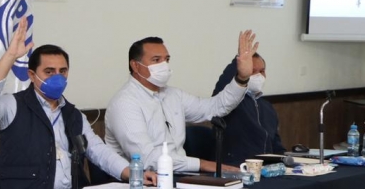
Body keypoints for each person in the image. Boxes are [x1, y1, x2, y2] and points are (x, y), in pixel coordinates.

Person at [0, 17, 149, 189]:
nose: (57, 77)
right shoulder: (13, 106)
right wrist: (10, 56)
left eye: (63, 71)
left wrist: (132, 173)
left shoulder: (73, 115)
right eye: (49, 72)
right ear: (32, 75)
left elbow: (97, 150)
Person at [104, 31, 259, 174]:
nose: (164, 65)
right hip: (142, 183)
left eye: (167, 60)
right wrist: (202, 164)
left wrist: (242, 78)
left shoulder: (173, 95)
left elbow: (215, 108)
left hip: (180, 177)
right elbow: (147, 159)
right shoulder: (124, 103)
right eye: (156, 60)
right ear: (135, 65)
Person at [212, 52, 285, 165]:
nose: (259, 76)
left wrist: (286, 160)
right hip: (236, 167)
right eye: (252, 71)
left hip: (265, 168)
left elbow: (276, 145)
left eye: (262, 71)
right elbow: (222, 87)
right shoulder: (231, 101)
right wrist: (239, 59)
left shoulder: (267, 107)